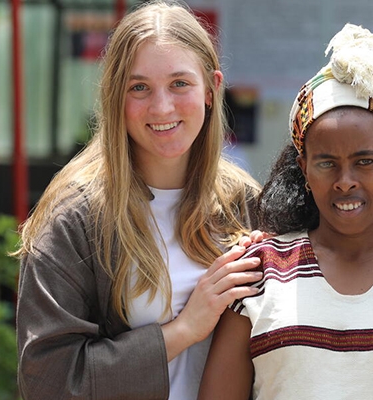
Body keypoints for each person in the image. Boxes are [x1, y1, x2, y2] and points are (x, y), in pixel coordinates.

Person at [198, 24, 373, 400]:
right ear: (304, 168)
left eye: (365, 162)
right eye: (327, 163)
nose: (345, 181)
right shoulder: (258, 272)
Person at [15, 2, 264, 399]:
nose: (161, 107)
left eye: (180, 83)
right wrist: (183, 330)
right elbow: (48, 381)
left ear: (211, 90)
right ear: (116, 97)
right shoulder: (75, 220)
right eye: (139, 88)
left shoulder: (246, 204)